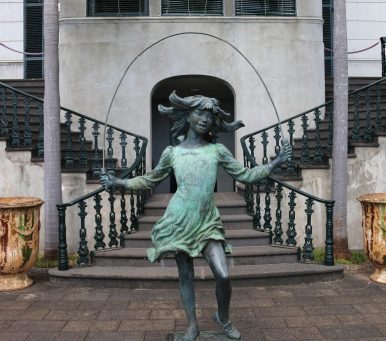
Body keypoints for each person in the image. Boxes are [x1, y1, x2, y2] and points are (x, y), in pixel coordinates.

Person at [100, 91, 292, 341]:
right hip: (180, 220)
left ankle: (223, 317)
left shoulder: (217, 150)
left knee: (223, 275)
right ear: (187, 116)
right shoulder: (173, 153)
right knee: (186, 275)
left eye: (209, 115)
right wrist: (119, 182)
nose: (204, 119)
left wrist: (275, 162)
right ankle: (192, 326)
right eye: (199, 113)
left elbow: (245, 176)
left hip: (207, 222)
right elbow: (150, 179)